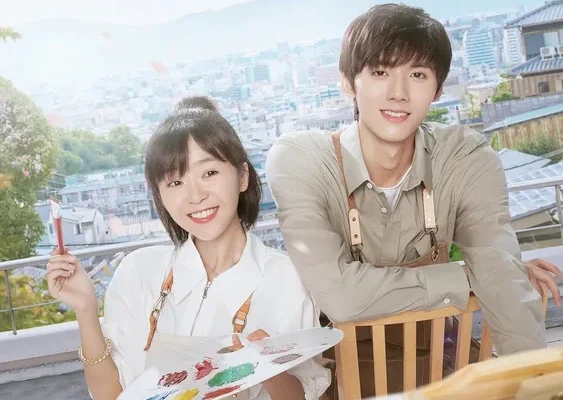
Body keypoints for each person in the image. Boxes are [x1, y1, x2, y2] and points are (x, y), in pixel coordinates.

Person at [266, 2, 562, 362]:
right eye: (380, 72)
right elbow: (340, 297)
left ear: (438, 89)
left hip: (441, 358)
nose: (398, 92)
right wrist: (469, 276)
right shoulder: (302, 159)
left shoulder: (464, 157)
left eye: (418, 74)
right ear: (347, 81)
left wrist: (533, 377)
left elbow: (502, 277)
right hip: (341, 372)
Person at [46, 96, 330, 400]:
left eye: (209, 173)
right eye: (175, 182)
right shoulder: (138, 272)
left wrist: (269, 367)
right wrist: (86, 309)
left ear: (243, 176)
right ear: (159, 196)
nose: (195, 196)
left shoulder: (288, 278)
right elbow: (110, 395)